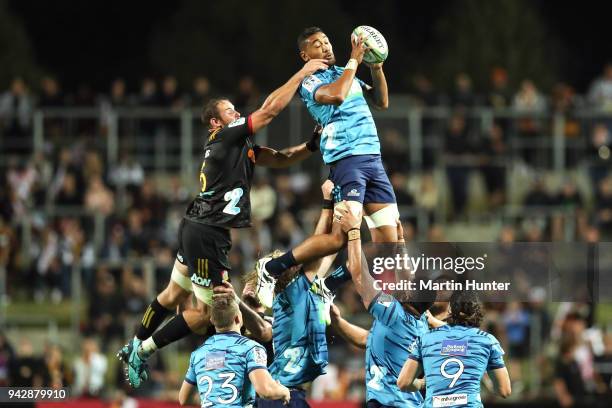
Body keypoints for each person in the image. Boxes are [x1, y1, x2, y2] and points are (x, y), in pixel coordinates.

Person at [118, 58, 328, 388]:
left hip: (197, 226)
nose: (237, 114)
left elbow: (281, 158)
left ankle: (134, 343)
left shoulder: (237, 146)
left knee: (173, 293)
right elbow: (270, 110)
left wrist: (311, 146)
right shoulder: (225, 135)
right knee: (204, 315)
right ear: (216, 121)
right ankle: (142, 351)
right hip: (208, 234)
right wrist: (303, 74)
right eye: (230, 111)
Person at [255, 26, 399, 302]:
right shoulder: (310, 82)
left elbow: (381, 102)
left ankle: (327, 285)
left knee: (389, 246)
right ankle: (271, 268)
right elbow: (336, 96)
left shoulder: (346, 73)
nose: (325, 46)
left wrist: (377, 67)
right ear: (304, 54)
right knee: (339, 238)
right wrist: (356, 61)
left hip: (373, 160)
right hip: (347, 161)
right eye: (317, 44)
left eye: (327, 41)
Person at [243, 181, 343, 407]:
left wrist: (338, 219)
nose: (292, 263)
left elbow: (325, 251)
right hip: (279, 395)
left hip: (282, 395)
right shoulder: (274, 312)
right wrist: (330, 207)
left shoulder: (294, 299)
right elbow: (319, 251)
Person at [335, 207, 434, 407]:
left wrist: (353, 232)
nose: (403, 282)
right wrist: (400, 242)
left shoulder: (391, 311)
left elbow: (359, 274)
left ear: (407, 294)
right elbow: (366, 340)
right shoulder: (421, 320)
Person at [397, 291, 512, 408]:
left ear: (450, 310)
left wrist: (421, 383)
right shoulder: (487, 341)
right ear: (477, 310)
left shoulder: (425, 339)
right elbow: (504, 391)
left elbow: (403, 383)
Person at [178, 296, 290, 407]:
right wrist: (284, 391)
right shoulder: (251, 348)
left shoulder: (199, 354)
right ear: (238, 318)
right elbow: (265, 390)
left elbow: (183, 399)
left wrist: (214, 400)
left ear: (212, 320)